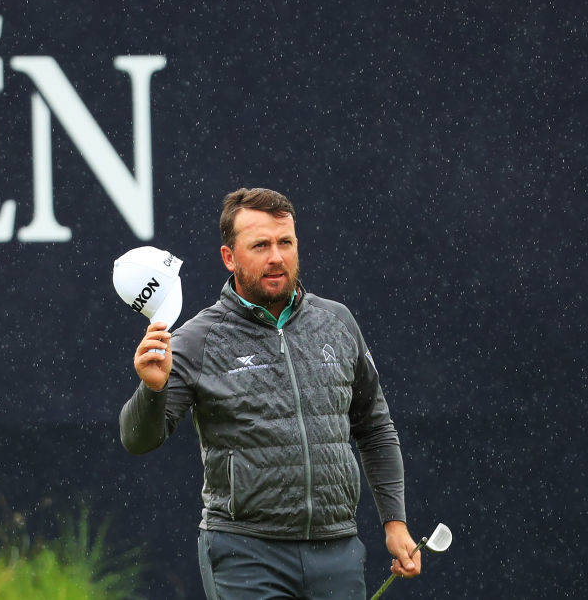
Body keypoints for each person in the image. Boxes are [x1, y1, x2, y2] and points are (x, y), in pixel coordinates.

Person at [118, 188, 421, 599]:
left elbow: (375, 428)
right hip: (245, 553)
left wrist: (395, 522)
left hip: (337, 550)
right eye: (260, 245)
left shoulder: (338, 322)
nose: (276, 257)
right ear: (229, 257)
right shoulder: (196, 339)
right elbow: (138, 440)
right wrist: (152, 390)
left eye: (285, 243)